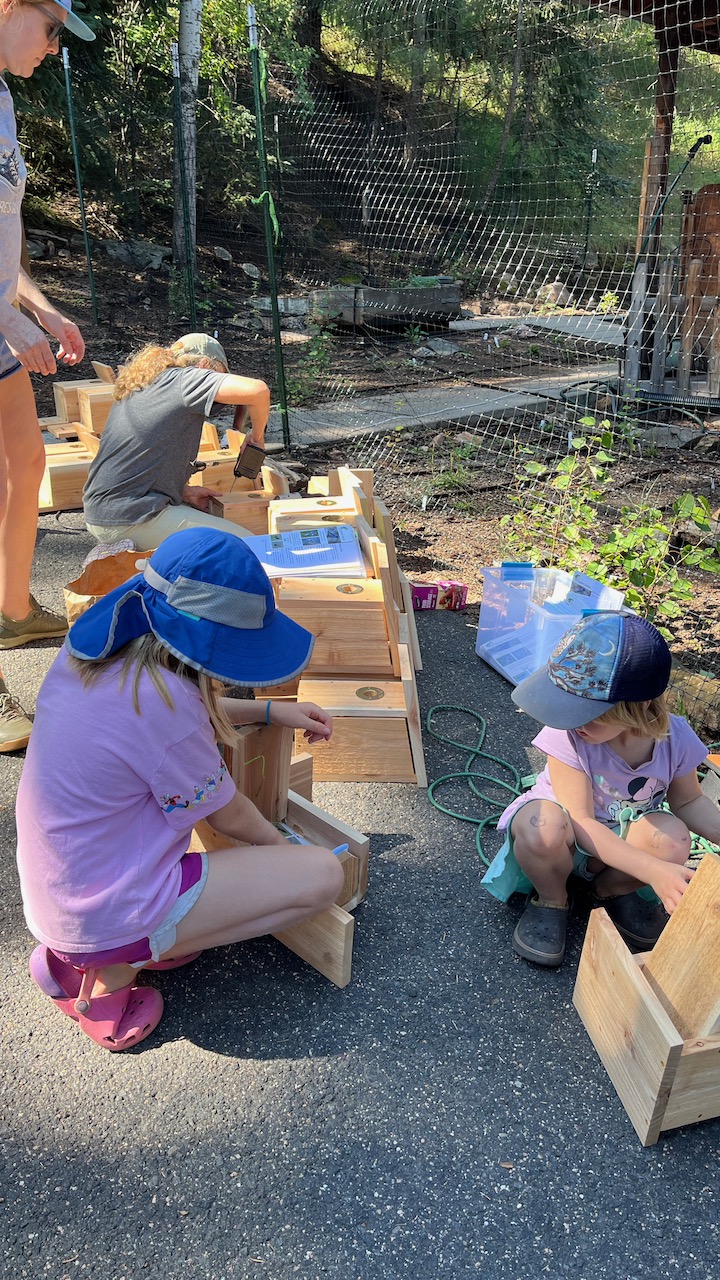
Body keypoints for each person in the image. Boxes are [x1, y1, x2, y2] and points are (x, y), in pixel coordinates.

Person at [15, 526, 345, 1051]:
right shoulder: (167, 707)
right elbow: (229, 815)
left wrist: (266, 710)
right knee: (325, 875)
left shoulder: (94, 655)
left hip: (59, 894)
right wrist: (283, 849)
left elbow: (174, 726)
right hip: (110, 910)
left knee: (277, 874)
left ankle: (80, 955)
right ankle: (111, 978)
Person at [481, 611, 720, 967]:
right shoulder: (571, 735)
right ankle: (552, 898)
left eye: (585, 712)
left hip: (616, 844)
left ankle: (605, 892)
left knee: (673, 838)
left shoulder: (676, 738)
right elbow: (580, 820)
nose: (571, 720)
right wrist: (652, 871)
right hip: (566, 837)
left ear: (638, 704)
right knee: (538, 827)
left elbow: (688, 801)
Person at [0, 1, 94, 751]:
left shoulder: (1, 96)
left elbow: (8, 238)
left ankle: (10, 609)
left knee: (26, 460)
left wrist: (41, 308)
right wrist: (10, 322)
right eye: (52, 28)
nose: (54, 48)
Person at [83, 332, 271, 550]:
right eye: (217, 374)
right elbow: (258, 390)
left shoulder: (146, 383)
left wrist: (183, 492)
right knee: (246, 547)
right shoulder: (186, 378)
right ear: (204, 365)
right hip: (130, 518)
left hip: (107, 511)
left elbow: (140, 459)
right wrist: (256, 438)